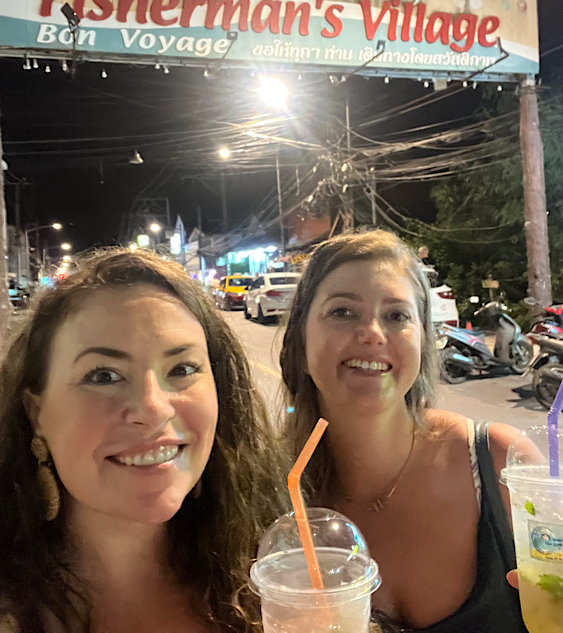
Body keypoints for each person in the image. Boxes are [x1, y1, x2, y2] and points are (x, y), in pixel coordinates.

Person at [0, 248, 290, 633]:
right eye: (103, 376)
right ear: (37, 414)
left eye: (182, 369)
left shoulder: (277, 576)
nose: (153, 408)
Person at [280, 230, 526, 633]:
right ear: (299, 344)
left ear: (423, 343)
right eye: (342, 311)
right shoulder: (263, 493)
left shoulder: (500, 462)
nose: (373, 333)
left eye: (396, 316)